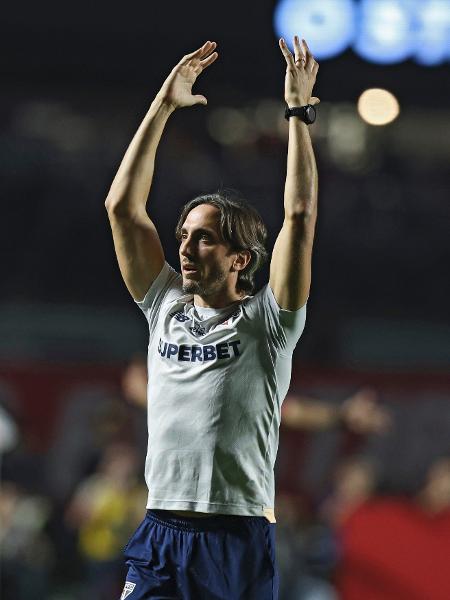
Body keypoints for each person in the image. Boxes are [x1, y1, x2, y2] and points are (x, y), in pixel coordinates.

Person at [105, 36, 319, 600]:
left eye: (204, 240)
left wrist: (298, 114)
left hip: (237, 533)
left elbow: (298, 215)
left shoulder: (268, 324)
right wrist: (164, 106)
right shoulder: (164, 306)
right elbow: (123, 209)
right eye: (183, 236)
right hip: (160, 530)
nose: (186, 248)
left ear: (239, 259)